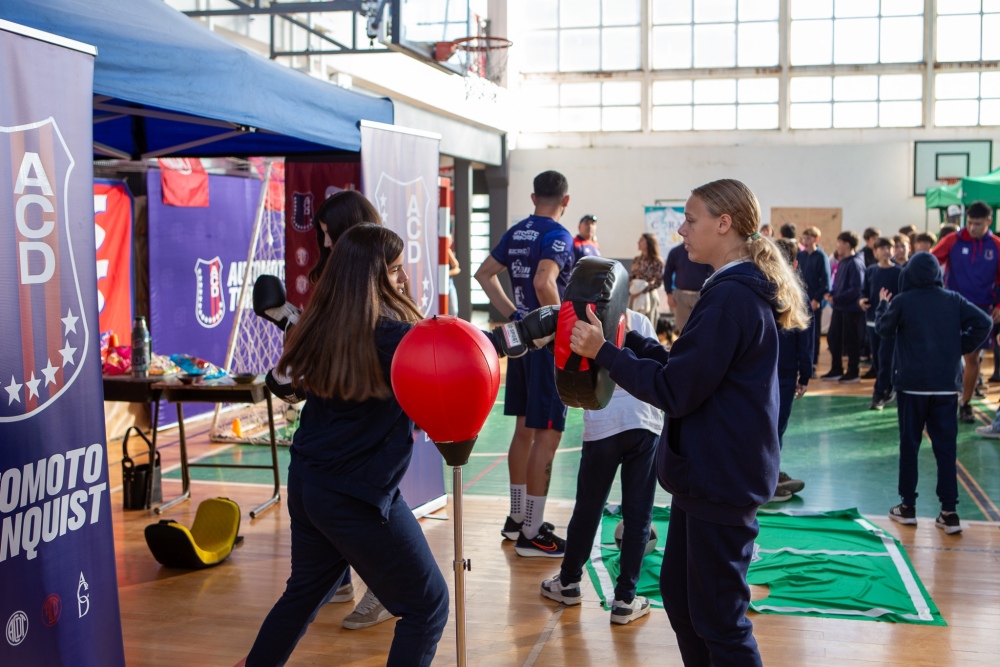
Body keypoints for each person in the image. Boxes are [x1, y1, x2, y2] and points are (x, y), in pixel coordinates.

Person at [568, 178, 810, 666]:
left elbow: (675, 391)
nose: (681, 229)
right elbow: (690, 371)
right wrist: (632, 341)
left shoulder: (730, 298)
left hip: (721, 478)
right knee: (681, 599)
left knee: (720, 620)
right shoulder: (729, 290)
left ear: (725, 224)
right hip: (707, 475)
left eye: (691, 218)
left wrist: (605, 354)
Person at [243, 225, 449, 667]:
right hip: (357, 495)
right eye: (395, 272)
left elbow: (280, 383)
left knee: (302, 595)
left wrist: (283, 317)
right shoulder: (393, 338)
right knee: (427, 606)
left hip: (310, 485)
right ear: (374, 277)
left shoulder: (317, 327)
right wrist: (520, 337)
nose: (404, 280)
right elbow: (460, 352)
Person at [304, 190, 396, 629]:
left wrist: (510, 340)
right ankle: (340, 578)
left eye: (327, 235)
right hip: (338, 440)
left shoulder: (383, 294)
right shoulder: (336, 282)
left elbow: (409, 348)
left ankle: (384, 586)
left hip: (372, 438)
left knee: (426, 601)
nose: (323, 245)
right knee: (301, 591)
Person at [474, 170, 576, 557]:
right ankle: (533, 533)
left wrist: (518, 315)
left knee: (524, 431)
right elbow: (544, 281)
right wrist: (558, 327)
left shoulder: (517, 232)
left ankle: (518, 518)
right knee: (547, 436)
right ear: (565, 201)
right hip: (546, 346)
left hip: (519, 340)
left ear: (534, 197)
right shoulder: (558, 236)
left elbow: (484, 274)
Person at [539, 308, 662, 624]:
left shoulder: (578, 325)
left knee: (589, 507)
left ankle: (568, 583)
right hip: (644, 422)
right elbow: (654, 365)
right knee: (638, 513)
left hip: (604, 424)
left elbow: (570, 379)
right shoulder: (638, 319)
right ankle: (625, 600)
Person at [874, 252, 991, 534]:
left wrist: (881, 306)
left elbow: (883, 329)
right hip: (945, 388)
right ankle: (949, 512)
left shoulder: (903, 301)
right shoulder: (953, 300)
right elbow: (985, 322)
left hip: (912, 387)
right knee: (945, 449)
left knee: (909, 446)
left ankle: (908, 508)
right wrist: (960, 345)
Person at [929, 200, 1000, 423]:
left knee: (973, 358)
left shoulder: (997, 245)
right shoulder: (953, 240)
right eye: (969, 223)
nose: (972, 227)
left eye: (977, 224)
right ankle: (939, 400)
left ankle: (965, 402)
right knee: (945, 356)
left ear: (989, 221)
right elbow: (928, 262)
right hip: (952, 306)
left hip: (981, 311)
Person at [773, 238, 811, 501]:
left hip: (756, 370)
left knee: (761, 425)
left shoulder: (755, 288)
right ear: (796, 263)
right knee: (775, 427)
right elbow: (804, 338)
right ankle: (767, 480)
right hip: (783, 372)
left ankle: (770, 474)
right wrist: (805, 374)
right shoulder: (796, 294)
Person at [860, 238, 903, 408]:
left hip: (891, 325)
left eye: (889, 247)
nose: (886, 251)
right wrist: (862, 301)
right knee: (878, 361)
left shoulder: (899, 272)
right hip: (872, 322)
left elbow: (903, 295)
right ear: (875, 251)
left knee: (885, 359)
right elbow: (864, 291)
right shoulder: (870, 271)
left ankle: (878, 395)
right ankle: (889, 386)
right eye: (882, 248)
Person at [821, 231, 865, 383]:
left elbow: (855, 289)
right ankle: (836, 369)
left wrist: (837, 298)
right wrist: (831, 294)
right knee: (834, 339)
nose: (837, 246)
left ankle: (853, 371)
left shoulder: (855, 263)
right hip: (839, 308)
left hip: (850, 310)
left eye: (839, 243)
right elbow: (839, 285)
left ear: (847, 244)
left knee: (851, 341)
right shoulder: (843, 261)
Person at [798, 226, 831, 369]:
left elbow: (825, 283)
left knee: (814, 334)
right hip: (800, 300)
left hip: (813, 302)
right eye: (804, 238)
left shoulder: (821, 257)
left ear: (816, 239)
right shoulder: (801, 256)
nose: (806, 241)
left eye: (809, 238)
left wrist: (816, 299)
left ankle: (813, 362)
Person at [663, 242, 714, 332]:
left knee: (701, 327)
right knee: (682, 328)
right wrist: (669, 294)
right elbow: (667, 274)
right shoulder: (675, 252)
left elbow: (712, 272)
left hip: (700, 295)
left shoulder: (703, 251)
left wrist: (710, 294)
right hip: (680, 296)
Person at [630, 233, 665, 327]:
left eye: (641, 240)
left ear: (649, 243)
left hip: (648, 295)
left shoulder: (657, 261)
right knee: (633, 324)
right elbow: (632, 276)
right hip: (634, 295)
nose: (638, 242)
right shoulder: (637, 259)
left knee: (648, 324)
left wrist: (642, 291)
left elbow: (658, 282)